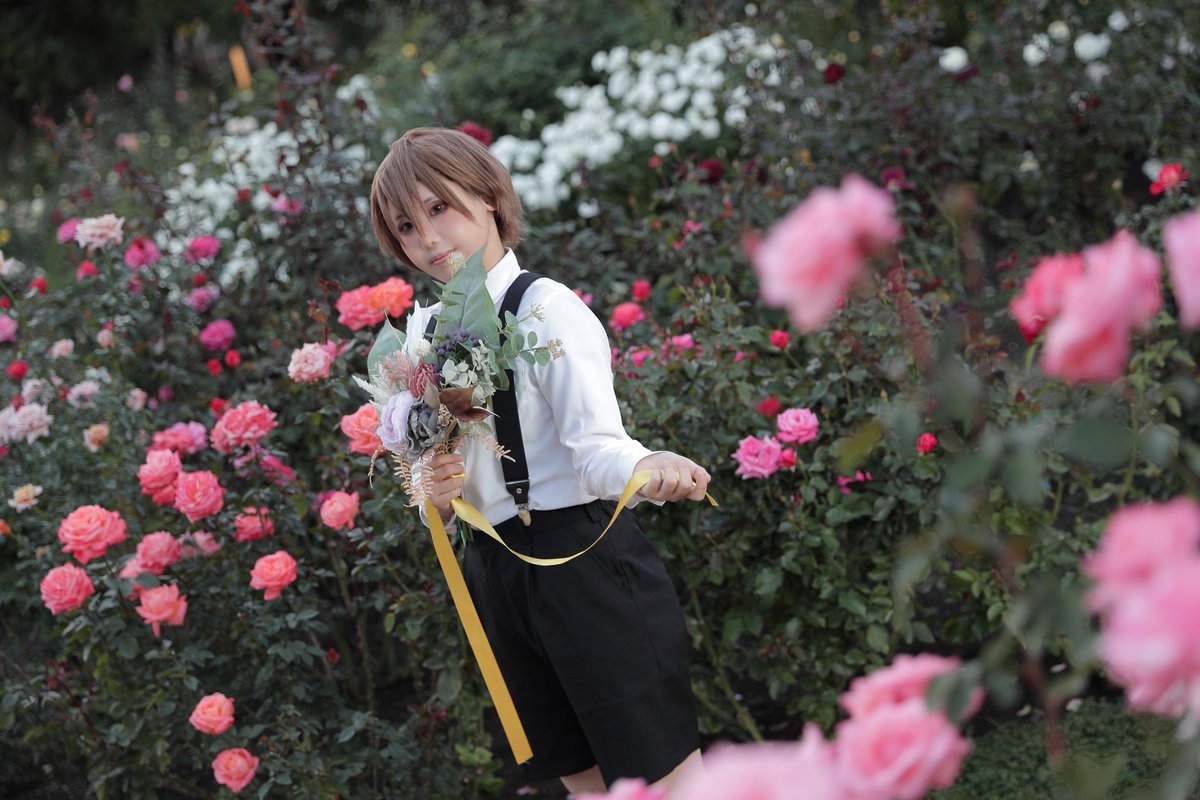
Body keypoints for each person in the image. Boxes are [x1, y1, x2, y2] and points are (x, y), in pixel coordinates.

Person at [368, 127, 710, 795]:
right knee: (580, 780)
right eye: (406, 225)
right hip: (495, 574)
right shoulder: (421, 337)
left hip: (581, 563)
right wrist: (434, 494)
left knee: (666, 782)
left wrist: (649, 467)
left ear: (489, 197)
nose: (428, 238)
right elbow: (443, 486)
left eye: (439, 208)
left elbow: (597, 449)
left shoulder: (548, 310)